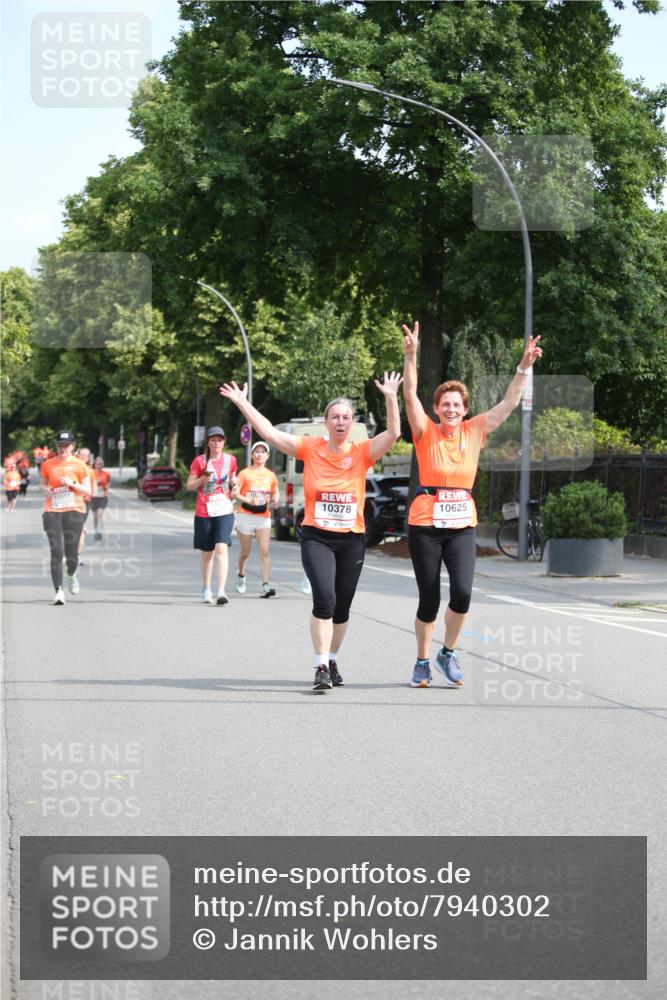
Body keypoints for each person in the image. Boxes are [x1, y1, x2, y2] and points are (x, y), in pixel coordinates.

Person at [220, 372, 403, 690]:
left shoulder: (362, 452)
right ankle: (320, 666)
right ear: (326, 422)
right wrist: (242, 402)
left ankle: (332, 658)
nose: (341, 422)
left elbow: (394, 433)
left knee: (342, 606)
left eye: (346, 417)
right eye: (335, 417)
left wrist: (390, 396)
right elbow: (270, 433)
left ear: (352, 422)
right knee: (325, 600)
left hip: (351, 539)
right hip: (317, 536)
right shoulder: (310, 447)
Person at [402, 321, 543, 689]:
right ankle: (420, 660)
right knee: (429, 598)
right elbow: (410, 394)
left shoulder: (475, 429)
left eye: (456, 405)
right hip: (425, 524)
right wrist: (411, 355)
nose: (450, 409)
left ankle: (446, 652)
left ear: (465, 410)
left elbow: (510, 402)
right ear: (436, 409)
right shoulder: (425, 432)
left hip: (462, 524)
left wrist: (524, 366)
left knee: (462, 594)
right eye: (444, 404)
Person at [186, 426, 238, 606]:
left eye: (220, 440)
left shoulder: (231, 460)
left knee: (221, 548)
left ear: (224, 442)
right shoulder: (199, 461)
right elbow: (189, 486)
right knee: (208, 553)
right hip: (204, 511)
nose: (217, 443)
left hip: (224, 510)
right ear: (208, 442)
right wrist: (202, 480)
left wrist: (235, 485)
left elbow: (233, 478)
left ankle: (221, 591)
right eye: (213, 440)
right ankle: (206, 588)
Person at [40, 431, 91, 604]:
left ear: (72, 446)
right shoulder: (47, 464)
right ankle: (58, 592)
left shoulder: (80, 465)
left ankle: (71, 574)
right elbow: (42, 483)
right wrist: (44, 490)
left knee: (71, 555)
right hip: (52, 510)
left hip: (74, 510)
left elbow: (89, 491)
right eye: (60, 445)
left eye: (66, 445)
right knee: (56, 551)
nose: (62, 448)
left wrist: (72, 484)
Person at [232, 441, 280, 598]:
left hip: (263, 518)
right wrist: (248, 500)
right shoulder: (244, 473)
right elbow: (234, 494)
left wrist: (276, 499)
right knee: (245, 552)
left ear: (267, 456)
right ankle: (241, 575)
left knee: (265, 551)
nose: (260, 454)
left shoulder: (270, 476)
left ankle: (265, 585)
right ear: (252, 455)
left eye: (263, 452)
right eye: (257, 451)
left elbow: (275, 491)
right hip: (245, 516)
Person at [76, 447, 96, 560]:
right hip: (71, 502)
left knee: (80, 529)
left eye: (86, 455)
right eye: (81, 454)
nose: (83, 457)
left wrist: (91, 494)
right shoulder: (71, 467)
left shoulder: (90, 471)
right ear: (77, 455)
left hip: (84, 502)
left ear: (88, 458)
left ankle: (78, 555)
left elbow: (94, 487)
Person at [91, 457, 111, 540]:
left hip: (102, 496)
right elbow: (87, 483)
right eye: (98, 464)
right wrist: (96, 482)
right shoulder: (91, 473)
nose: (99, 465)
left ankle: (99, 531)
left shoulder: (106, 474)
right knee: (95, 516)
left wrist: (107, 486)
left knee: (100, 514)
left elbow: (109, 481)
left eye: (101, 464)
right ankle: (96, 530)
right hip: (93, 496)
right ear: (95, 465)